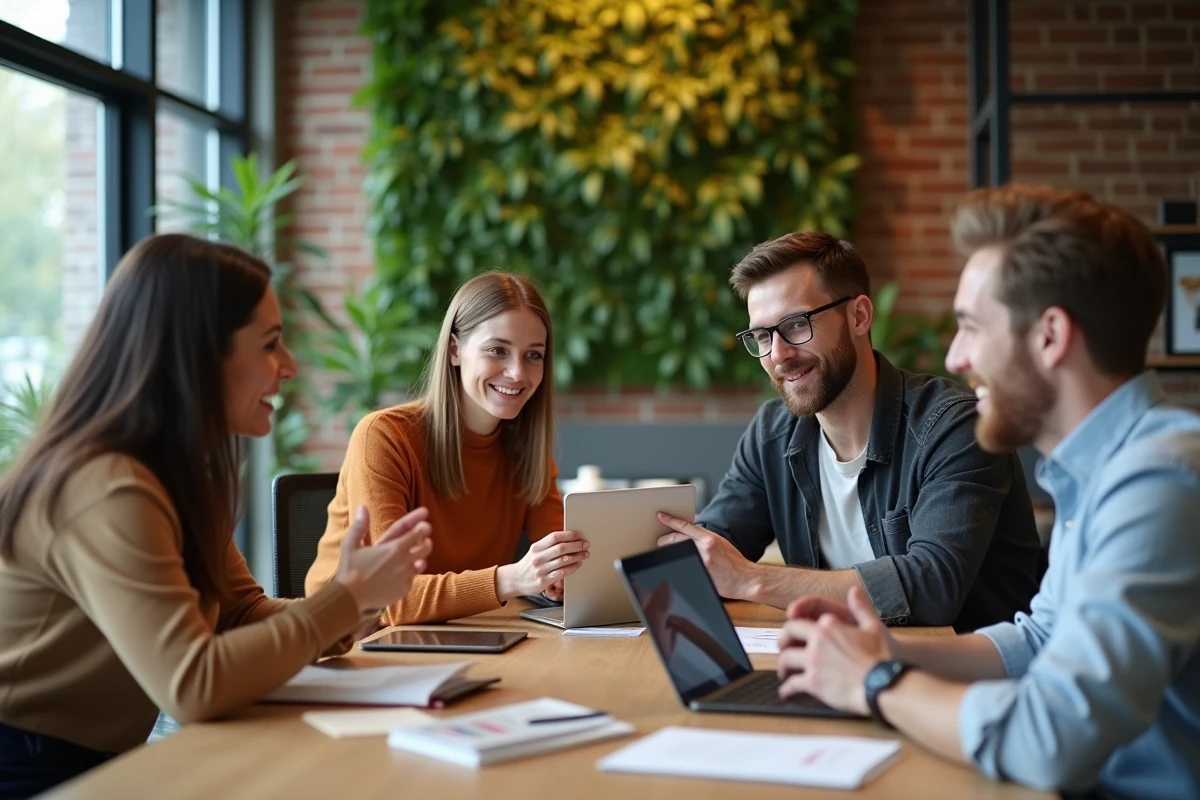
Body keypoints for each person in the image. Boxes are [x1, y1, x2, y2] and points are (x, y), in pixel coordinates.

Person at [776, 186, 1200, 799]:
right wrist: (887, 648)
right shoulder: (1104, 471)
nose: (957, 355)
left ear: (1050, 336)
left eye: (972, 327)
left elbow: (1049, 741)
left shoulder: (1160, 481)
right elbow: (1038, 638)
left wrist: (877, 679)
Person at [0, 234, 433, 798]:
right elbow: (193, 684)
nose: (290, 366)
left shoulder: (176, 473)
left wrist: (349, 612)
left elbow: (240, 613)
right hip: (28, 768)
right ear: (199, 353)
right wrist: (341, 600)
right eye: (271, 343)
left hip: (101, 758)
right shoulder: (105, 485)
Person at [657, 231, 1043, 631]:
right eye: (761, 335)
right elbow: (713, 550)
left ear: (859, 316)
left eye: (795, 324)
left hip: (966, 680)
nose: (778, 354)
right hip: (839, 668)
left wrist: (751, 579)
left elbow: (932, 587)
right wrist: (596, 558)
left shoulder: (954, 427)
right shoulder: (771, 434)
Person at [305, 272, 588, 624]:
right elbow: (387, 600)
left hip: (462, 633)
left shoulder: (526, 452)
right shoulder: (385, 437)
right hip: (351, 643)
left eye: (533, 355)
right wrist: (513, 578)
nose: (517, 372)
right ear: (455, 350)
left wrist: (558, 579)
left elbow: (559, 558)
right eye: (497, 350)